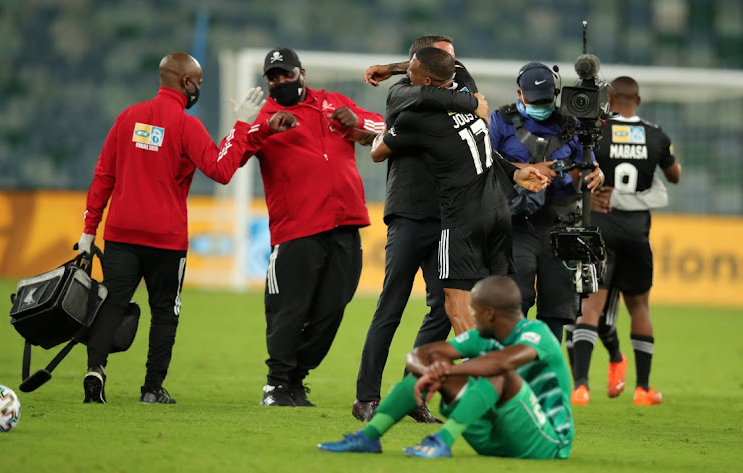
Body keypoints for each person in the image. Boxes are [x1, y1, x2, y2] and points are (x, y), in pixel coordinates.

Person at [78, 52, 298, 404]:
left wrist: (90, 230)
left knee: (112, 304)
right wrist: (242, 125)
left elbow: (103, 176)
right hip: (166, 239)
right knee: (165, 311)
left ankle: (95, 370)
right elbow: (221, 170)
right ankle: (151, 389)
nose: (199, 87)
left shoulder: (127, 118)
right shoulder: (187, 126)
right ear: (186, 83)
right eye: (198, 81)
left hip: (121, 234)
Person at [371, 48, 548, 343]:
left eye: (411, 73)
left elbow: (378, 153)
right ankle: (512, 360)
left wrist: (382, 130)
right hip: (498, 212)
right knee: (496, 301)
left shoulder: (417, 117)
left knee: (455, 304)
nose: (406, 78)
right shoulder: (473, 106)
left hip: (460, 220)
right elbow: (485, 151)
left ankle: (490, 375)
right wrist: (515, 173)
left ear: (426, 82)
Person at [354, 34, 488, 423]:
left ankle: (411, 393)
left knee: (443, 310)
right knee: (390, 305)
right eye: (446, 59)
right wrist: (468, 104)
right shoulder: (401, 95)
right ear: (423, 64)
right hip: (409, 213)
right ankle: (366, 397)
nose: (457, 66)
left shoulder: (451, 82)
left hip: (448, 216)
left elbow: (459, 89)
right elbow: (462, 101)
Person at [243, 48, 384, 407]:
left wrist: (357, 122)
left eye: (285, 75)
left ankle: (296, 377)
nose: (279, 82)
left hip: (345, 221)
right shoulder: (267, 116)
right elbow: (233, 160)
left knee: (333, 307)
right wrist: (254, 128)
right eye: (272, 77)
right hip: (297, 227)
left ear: (301, 72)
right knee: (289, 309)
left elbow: (381, 129)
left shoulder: (334, 103)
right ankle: (276, 384)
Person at [318, 275, 574, 459]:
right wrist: (430, 370)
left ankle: (442, 441)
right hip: (492, 438)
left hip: (546, 441)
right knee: (429, 369)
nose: (471, 316)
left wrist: (446, 371)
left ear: (490, 313)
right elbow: (423, 354)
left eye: (475, 311)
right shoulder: (482, 336)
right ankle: (368, 438)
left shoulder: (536, 333)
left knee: (497, 373)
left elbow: (501, 362)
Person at [570, 76, 681, 406]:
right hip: (636, 232)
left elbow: (577, 175)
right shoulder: (656, 134)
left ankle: (581, 387)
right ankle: (643, 389)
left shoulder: (597, 132)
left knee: (590, 307)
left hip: (598, 228)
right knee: (639, 307)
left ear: (610, 97)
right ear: (639, 100)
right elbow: (675, 176)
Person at [488, 61, 604, 343]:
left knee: (557, 306)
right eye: (534, 100)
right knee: (515, 301)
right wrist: (530, 170)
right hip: (516, 224)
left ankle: (546, 374)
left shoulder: (573, 123)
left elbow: (589, 165)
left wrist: (597, 172)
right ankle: (512, 372)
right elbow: (485, 162)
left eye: (546, 99)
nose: (541, 104)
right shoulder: (500, 119)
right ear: (519, 94)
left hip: (560, 224)